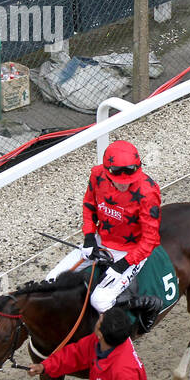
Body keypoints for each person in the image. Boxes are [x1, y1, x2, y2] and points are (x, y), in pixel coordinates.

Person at [46, 139, 164, 330]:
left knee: (100, 301)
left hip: (131, 252)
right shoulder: (96, 175)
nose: (124, 186)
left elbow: (151, 239)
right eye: (118, 181)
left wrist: (123, 264)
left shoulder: (148, 191)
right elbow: (89, 207)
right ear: (108, 172)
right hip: (101, 241)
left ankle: (147, 305)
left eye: (129, 181)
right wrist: (89, 238)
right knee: (50, 280)